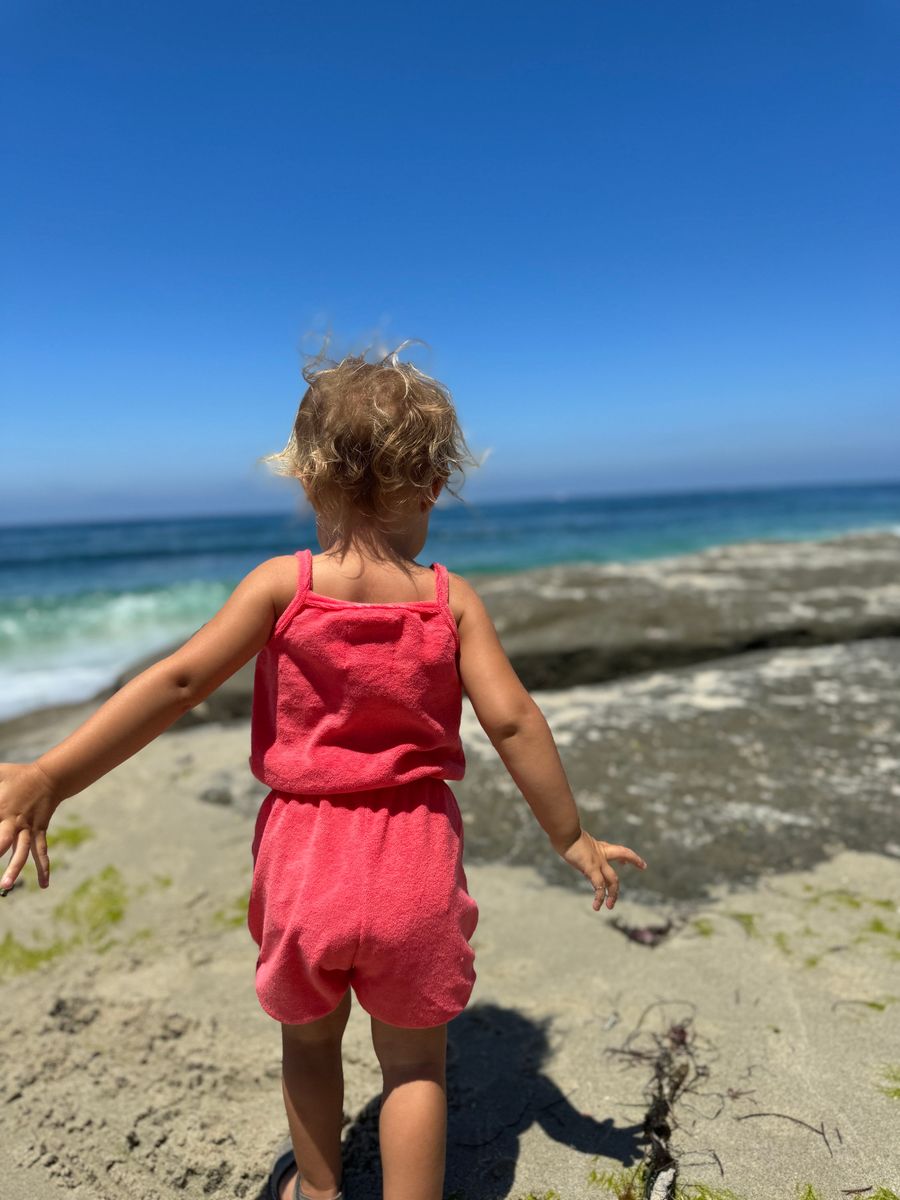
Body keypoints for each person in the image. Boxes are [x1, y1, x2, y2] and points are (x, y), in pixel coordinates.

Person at [0, 341, 647, 1200]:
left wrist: (52, 775)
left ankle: (317, 1191)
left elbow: (178, 683)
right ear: (432, 486)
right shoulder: (450, 601)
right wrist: (570, 835)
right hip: (415, 860)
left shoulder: (282, 587)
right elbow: (513, 719)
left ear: (307, 482)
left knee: (309, 1043)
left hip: (305, 859)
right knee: (413, 1066)